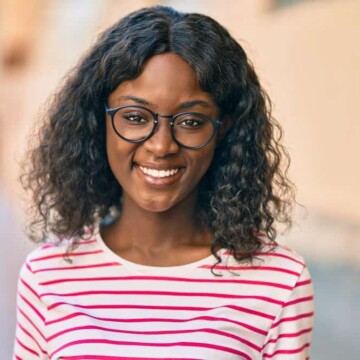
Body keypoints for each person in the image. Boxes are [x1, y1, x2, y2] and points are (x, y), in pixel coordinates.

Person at [14, 5, 314, 359]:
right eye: (136, 117)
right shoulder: (46, 275)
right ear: (100, 120)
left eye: (191, 121)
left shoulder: (279, 280)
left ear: (225, 128)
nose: (161, 146)